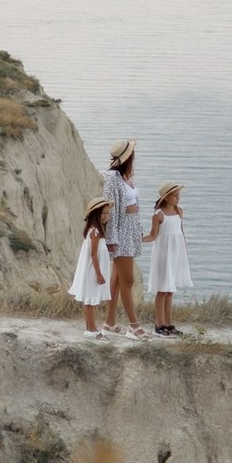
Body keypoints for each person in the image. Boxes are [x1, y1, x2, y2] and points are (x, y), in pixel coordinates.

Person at [101, 139, 149, 339]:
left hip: (130, 231)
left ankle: (109, 323)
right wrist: (112, 238)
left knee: (118, 279)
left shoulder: (125, 175)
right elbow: (109, 207)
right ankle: (133, 326)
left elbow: (134, 205)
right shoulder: (112, 177)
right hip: (120, 233)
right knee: (128, 280)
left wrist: (138, 229)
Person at [145, 181, 193, 336]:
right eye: (175, 196)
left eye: (178, 195)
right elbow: (153, 236)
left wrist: (183, 251)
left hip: (176, 254)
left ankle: (169, 324)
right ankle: (159, 325)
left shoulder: (180, 211)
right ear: (166, 197)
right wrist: (138, 239)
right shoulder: (159, 215)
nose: (178, 198)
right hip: (163, 255)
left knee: (170, 290)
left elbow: (181, 232)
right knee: (162, 290)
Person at [68, 197, 112, 338]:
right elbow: (93, 254)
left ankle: (90, 330)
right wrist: (99, 274)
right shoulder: (95, 232)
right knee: (90, 300)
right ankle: (92, 329)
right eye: (103, 213)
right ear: (95, 215)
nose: (106, 216)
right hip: (92, 271)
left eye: (107, 213)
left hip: (93, 270)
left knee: (89, 300)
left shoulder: (97, 231)